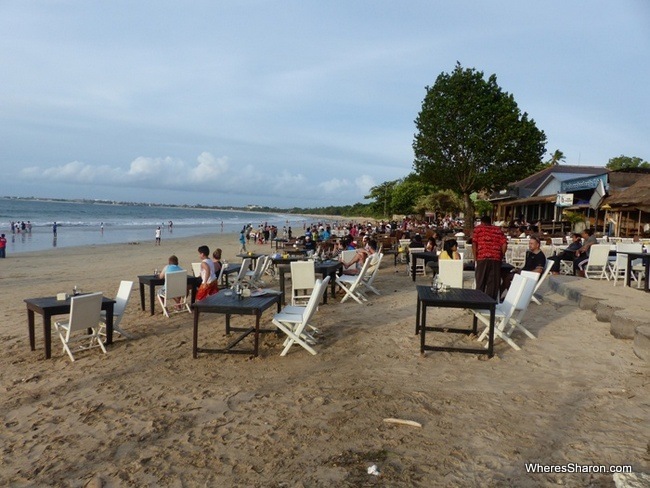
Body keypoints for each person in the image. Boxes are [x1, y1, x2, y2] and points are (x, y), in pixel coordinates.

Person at [472, 215, 508, 300]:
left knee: (480, 281)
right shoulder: (498, 230)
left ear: (482, 222)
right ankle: (490, 303)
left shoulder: (478, 229)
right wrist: (501, 255)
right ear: (490, 222)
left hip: (482, 257)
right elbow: (504, 245)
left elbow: (474, 244)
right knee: (493, 283)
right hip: (496, 258)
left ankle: (479, 301)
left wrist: (475, 258)